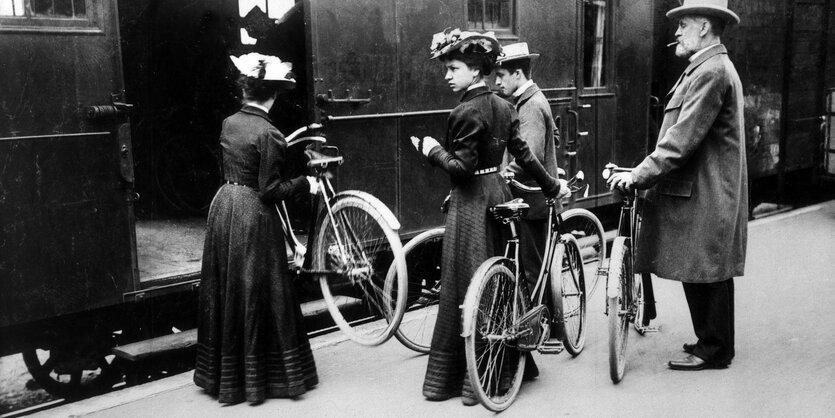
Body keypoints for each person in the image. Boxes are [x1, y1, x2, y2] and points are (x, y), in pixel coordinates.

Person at [410, 28, 561, 405]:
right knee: (498, 282)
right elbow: (525, 156)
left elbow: (461, 168)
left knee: (465, 284)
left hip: (471, 204)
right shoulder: (504, 106)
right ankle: (501, 368)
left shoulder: (464, 111)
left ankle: (462, 378)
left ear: (476, 72)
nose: (447, 75)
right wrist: (551, 186)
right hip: (498, 192)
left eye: (454, 68)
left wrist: (431, 151)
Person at [606, 0, 746, 371]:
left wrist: (638, 175)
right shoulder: (707, 67)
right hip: (703, 188)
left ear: (704, 26)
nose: (677, 32)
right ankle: (712, 342)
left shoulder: (711, 71)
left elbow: (680, 140)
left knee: (707, 270)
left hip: (706, 190)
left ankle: (713, 350)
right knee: (704, 268)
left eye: (683, 25)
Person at [194, 53, 319, 404]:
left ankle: (223, 377)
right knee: (260, 289)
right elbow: (270, 190)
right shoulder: (271, 133)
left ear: (246, 90)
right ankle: (265, 380)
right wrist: (304, 183)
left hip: (224, 206)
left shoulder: (229, 122)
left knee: (228, 286)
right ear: (273, 94)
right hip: (253, 214)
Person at [494, 42, 565, 299]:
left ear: (517, 74)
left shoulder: (530, 106)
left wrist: (502, 175)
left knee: (534, 271)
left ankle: (540, 333)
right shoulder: (531, 99)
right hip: (532, 200)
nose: (497, 82)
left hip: (533, 203)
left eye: (501, 75)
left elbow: (531, 155)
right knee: (533, 269)